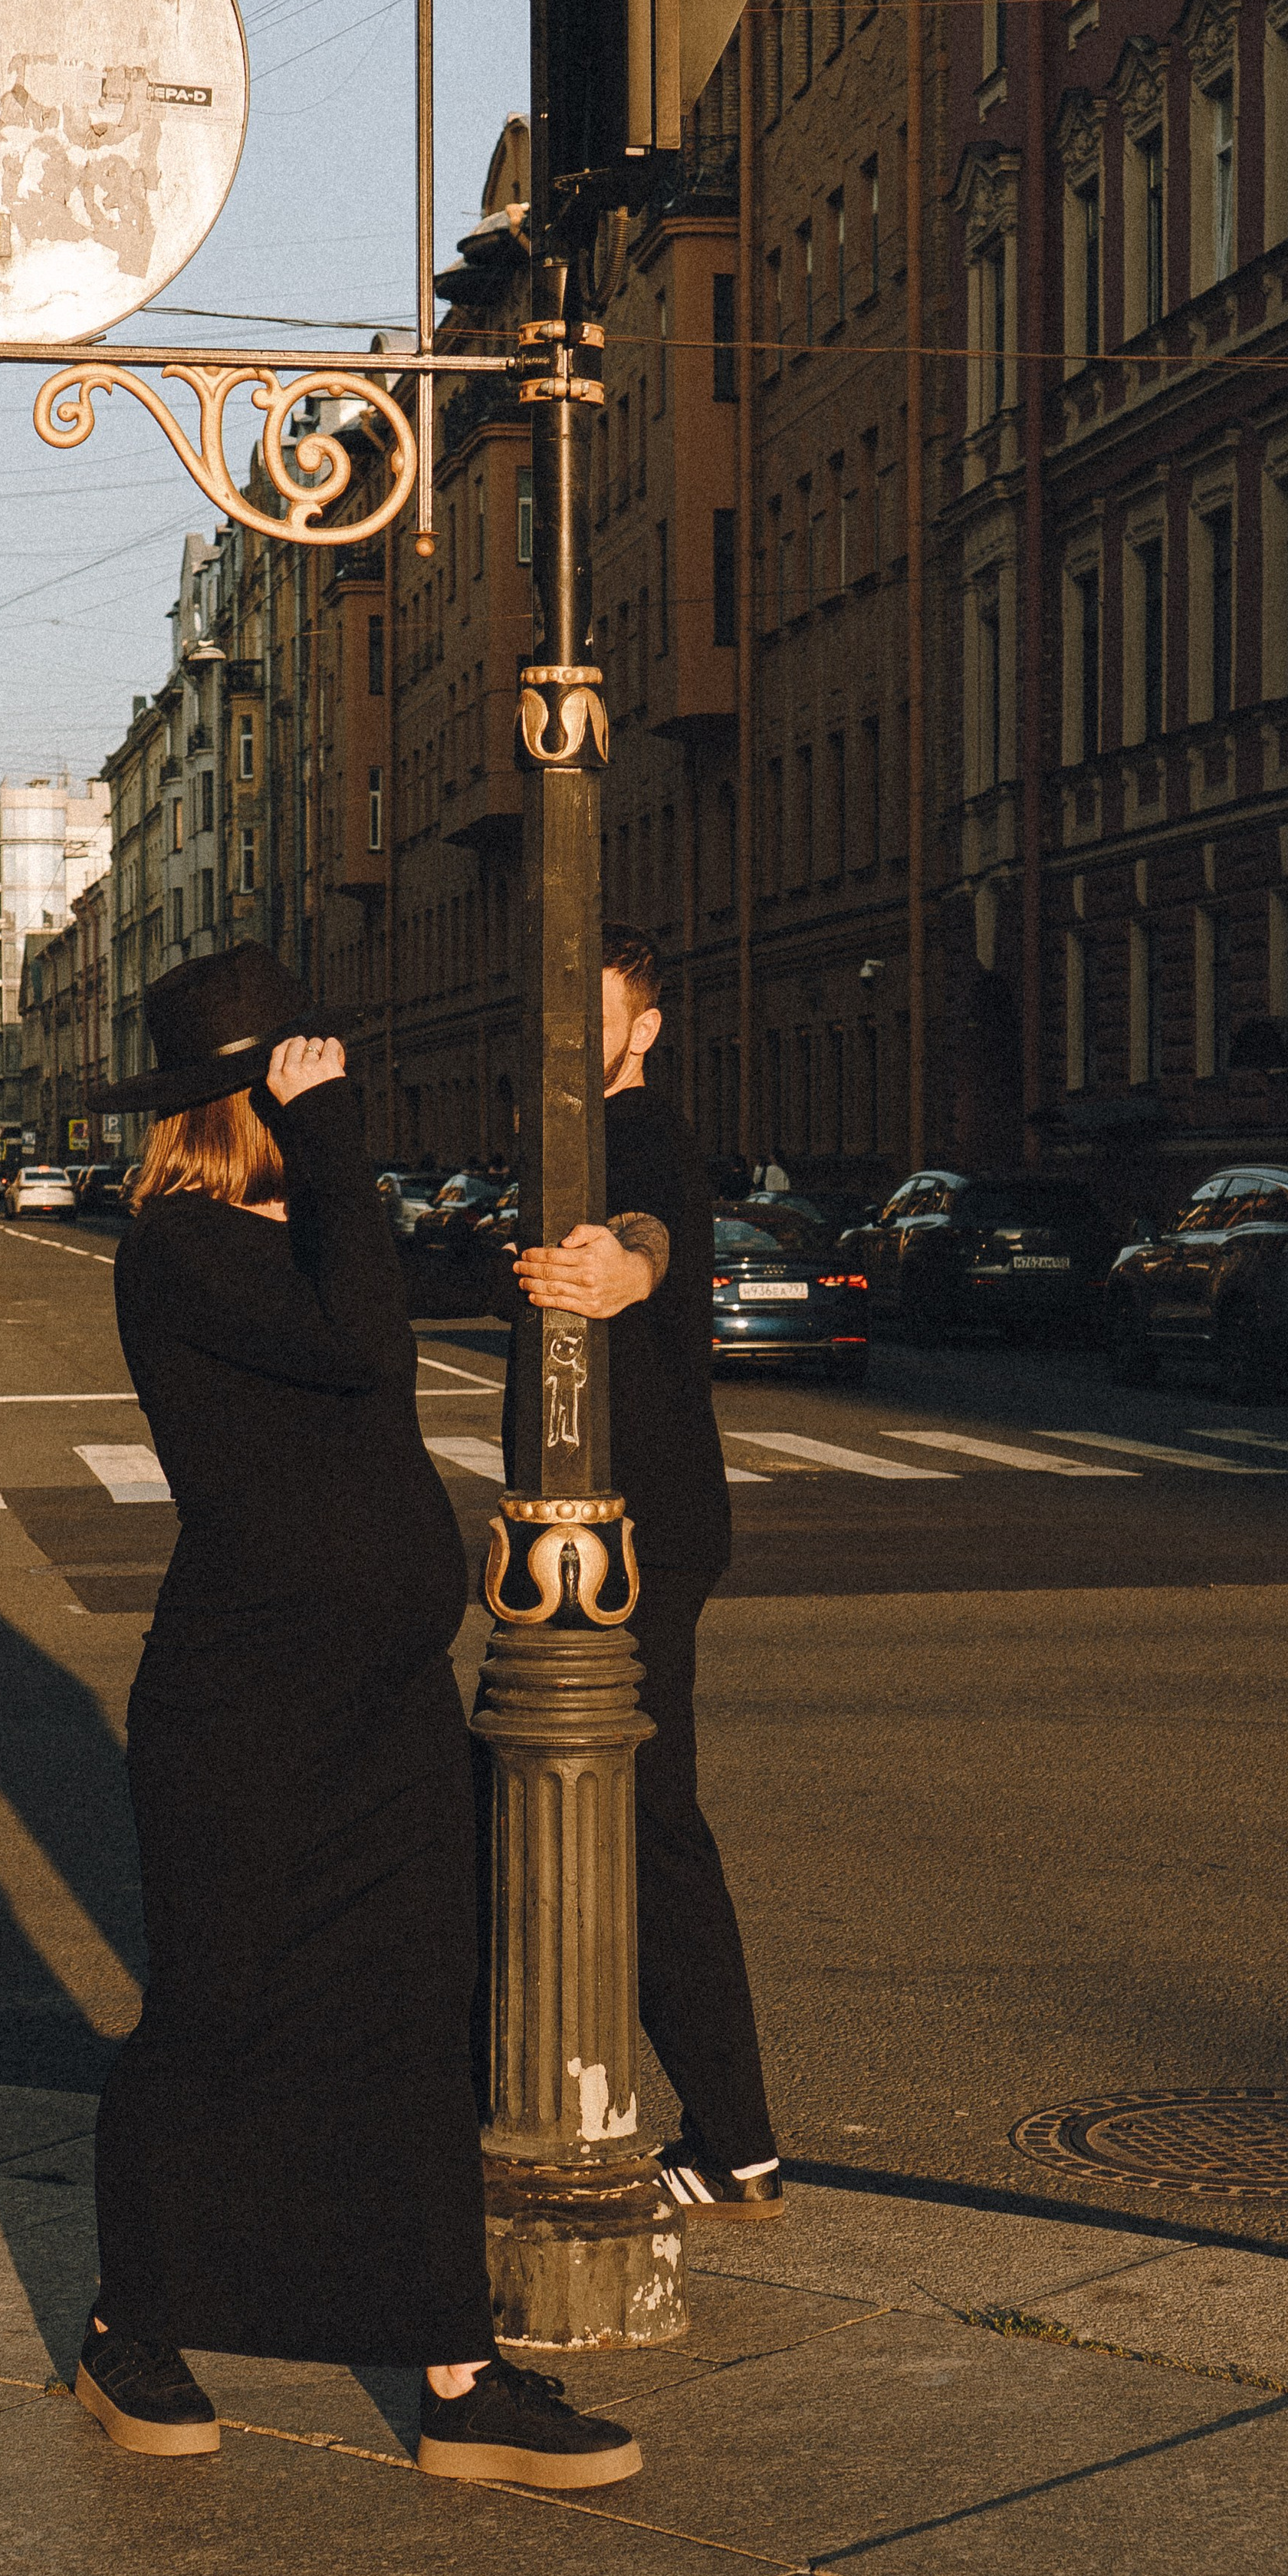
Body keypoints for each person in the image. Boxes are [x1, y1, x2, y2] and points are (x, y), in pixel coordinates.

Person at [78, 944, 641, 2489]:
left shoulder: (311, 1225)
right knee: (213, 2013)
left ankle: (457, 2376)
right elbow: (355, 1344)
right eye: (311, 1079)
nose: (340, 1097)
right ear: (255, 1100)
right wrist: (334, 1151)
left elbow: (387, 1321)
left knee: (407, 2022)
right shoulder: (178, 1245)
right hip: (242, 1712)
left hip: (380, 1703)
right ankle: (134, 2319)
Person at [416, 923, 783, 2222]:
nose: (573, 1039)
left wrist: (629, 1266)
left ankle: (733, 2137)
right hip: (585, 1531)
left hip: (639, 1529)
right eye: (555, 1020)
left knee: (644, 1822)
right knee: (574, 1803)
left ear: (644, 1031)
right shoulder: (549, 1142)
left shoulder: (642, 1137)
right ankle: (688, 2125)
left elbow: (653, 1225)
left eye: (599, 1016)